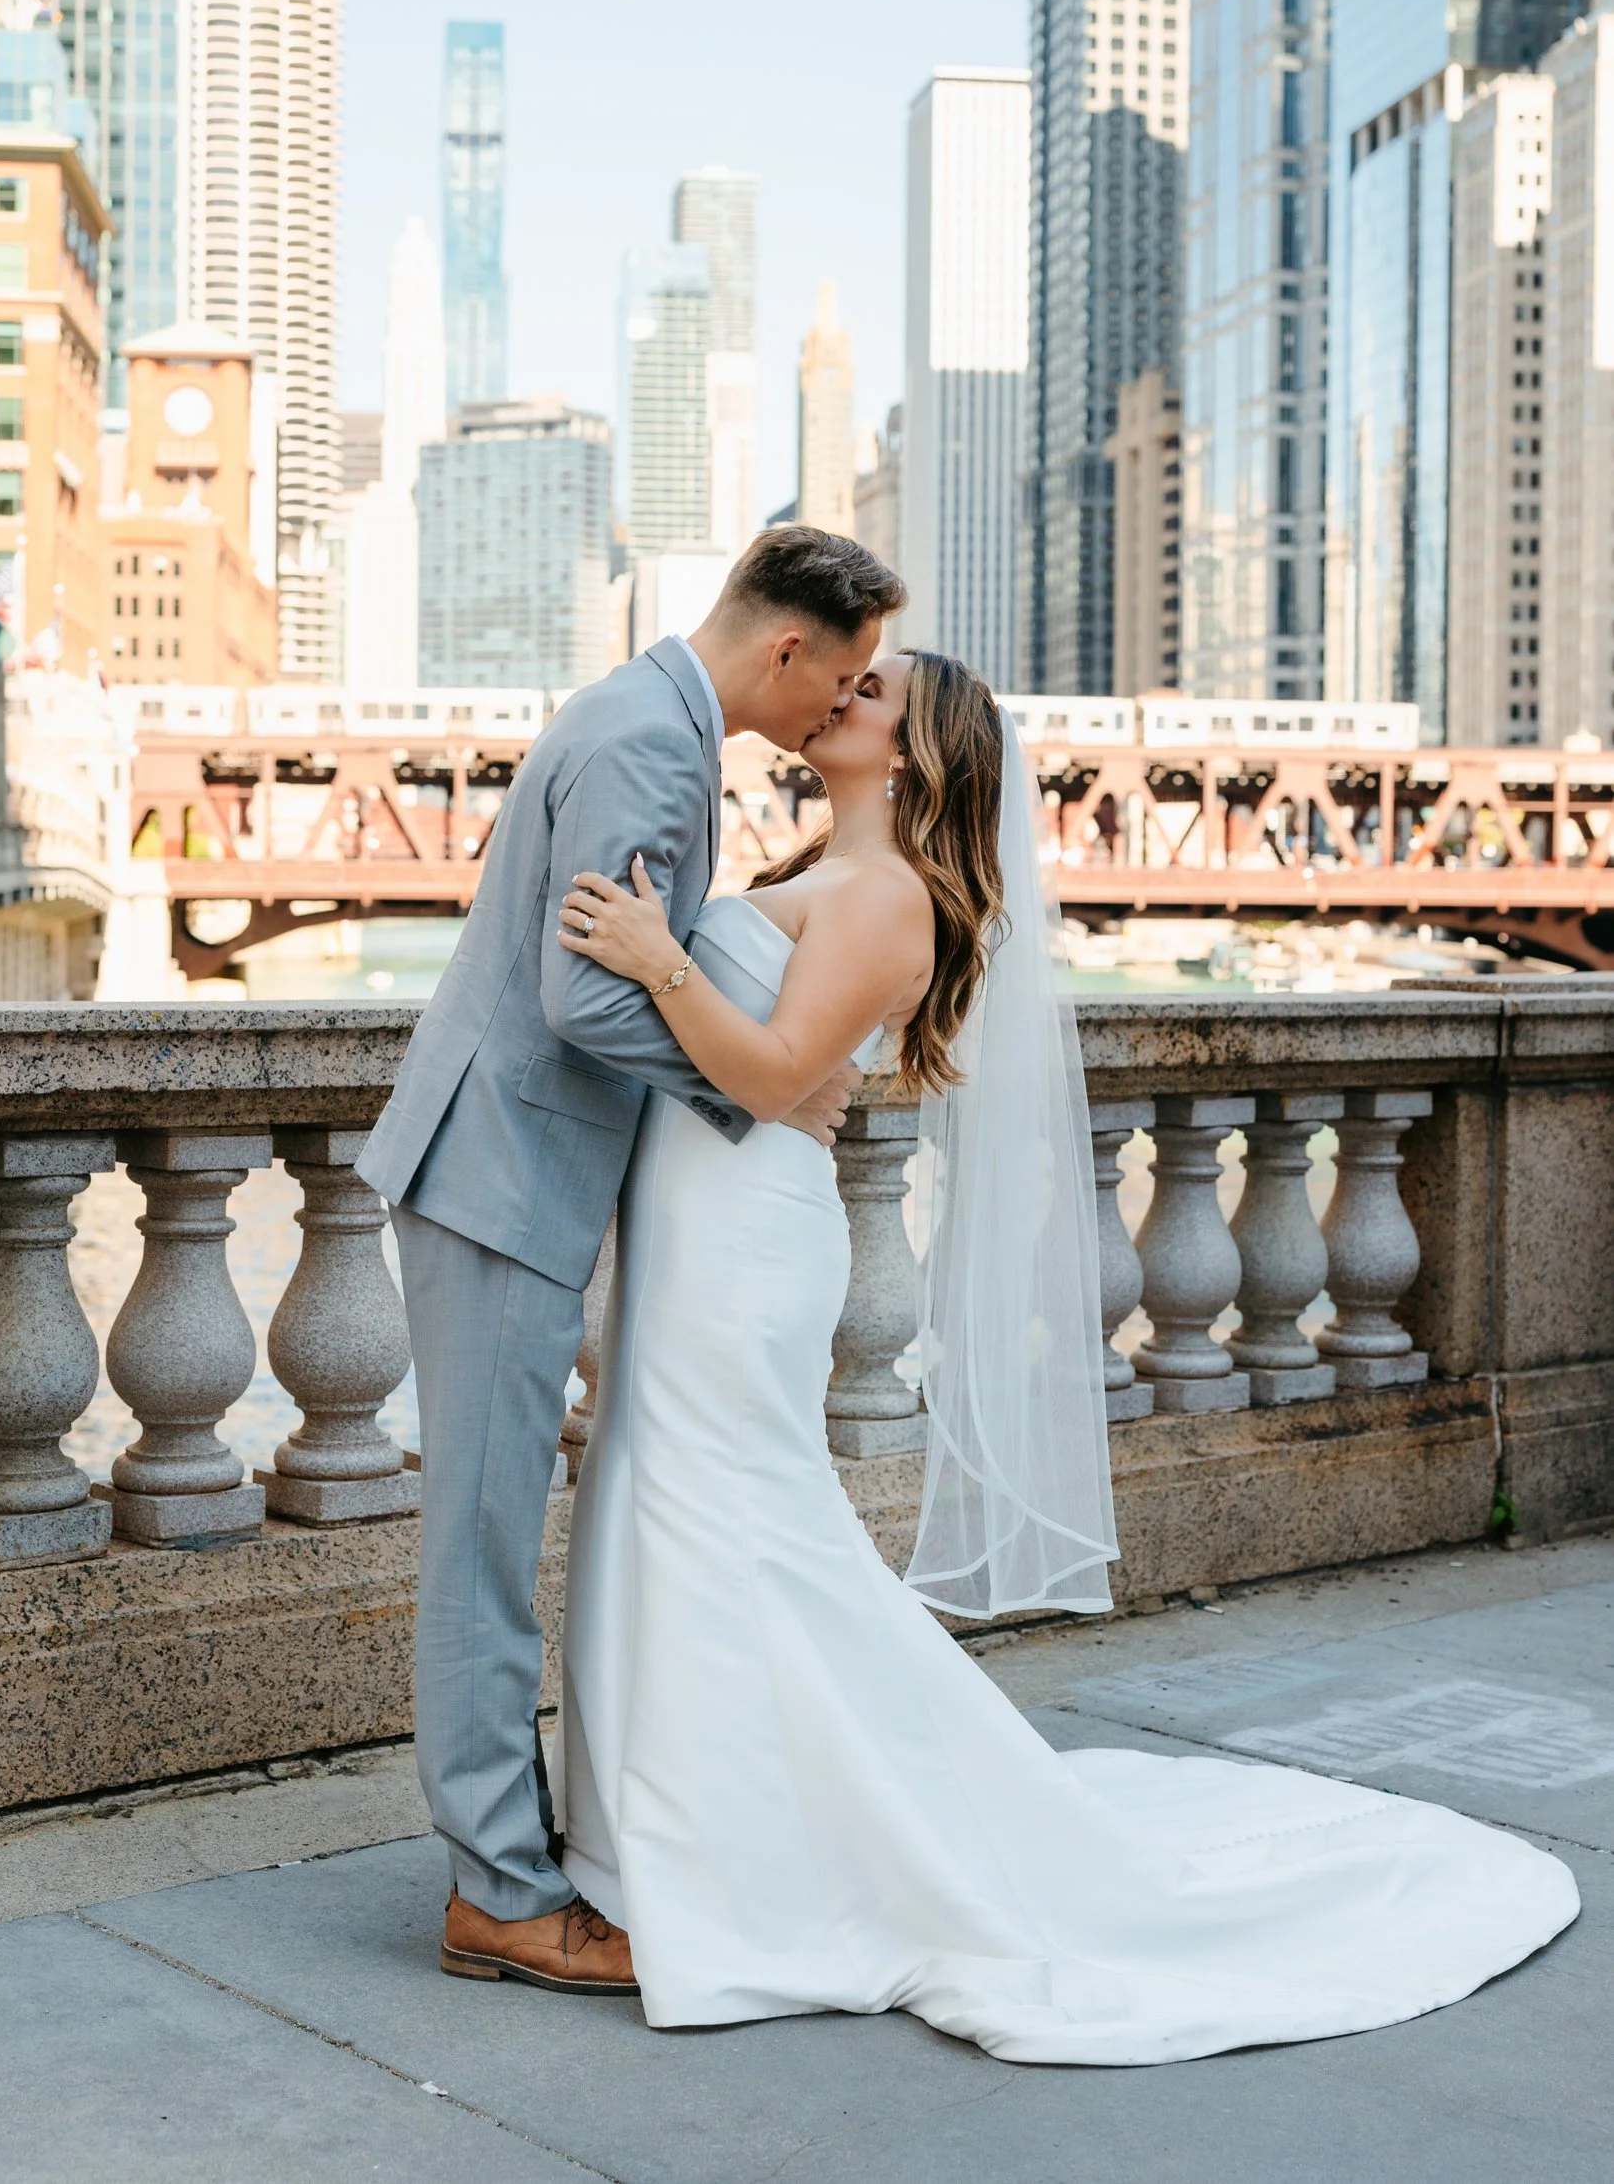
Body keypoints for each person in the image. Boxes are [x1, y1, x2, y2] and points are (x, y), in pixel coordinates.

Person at [545, 647, 1579, 2065]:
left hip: (744, 1245)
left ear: (916, 753)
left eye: (871, 694)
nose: (841, 695)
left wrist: (658, 958)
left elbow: (778, 1077)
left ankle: (742, 1855)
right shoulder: (822, 870)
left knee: (732, 1522)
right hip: (694, 1228)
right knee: (667, 1509)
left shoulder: (888, 896)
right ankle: (681, 1833)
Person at [356, 526, 907, 1994]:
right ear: (785, 646)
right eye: (840, 676)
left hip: (497, 1165)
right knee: (481, 1550)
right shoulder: (655, 746)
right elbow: (584, 1001)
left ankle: (509, 1866)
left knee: (488, 1535)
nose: (835, 705)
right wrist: (763, 1091)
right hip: (501, 1176)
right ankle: (503, 1896)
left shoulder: (641, 713)